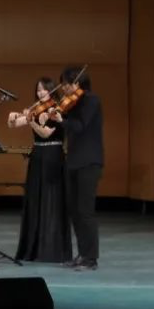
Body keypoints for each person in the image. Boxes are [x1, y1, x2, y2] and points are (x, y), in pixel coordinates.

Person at [7, 77, 72, 263]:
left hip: (53, 156)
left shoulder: (57, 109)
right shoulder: (37, 109)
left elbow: (45, 133)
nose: (40, 93)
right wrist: (12, 117)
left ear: (51, 90)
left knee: (51, 200)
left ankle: (51, 250)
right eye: (38, 90)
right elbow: (13, 125)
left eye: (44, 89)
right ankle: (32, 249)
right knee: (35, 198)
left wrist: (31, 121)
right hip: (37, 156)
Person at [50, 65, 104, 271]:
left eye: (67, 83)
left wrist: (62, 119)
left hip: (89, 162)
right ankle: (82, 254)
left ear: (78, 83)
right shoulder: (71, 103)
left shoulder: (91, 100)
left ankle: (91, 258)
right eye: (63, 84)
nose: (64, 88)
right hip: (73, 161)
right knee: (74, 210)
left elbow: (80, 126)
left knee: (85, 211)